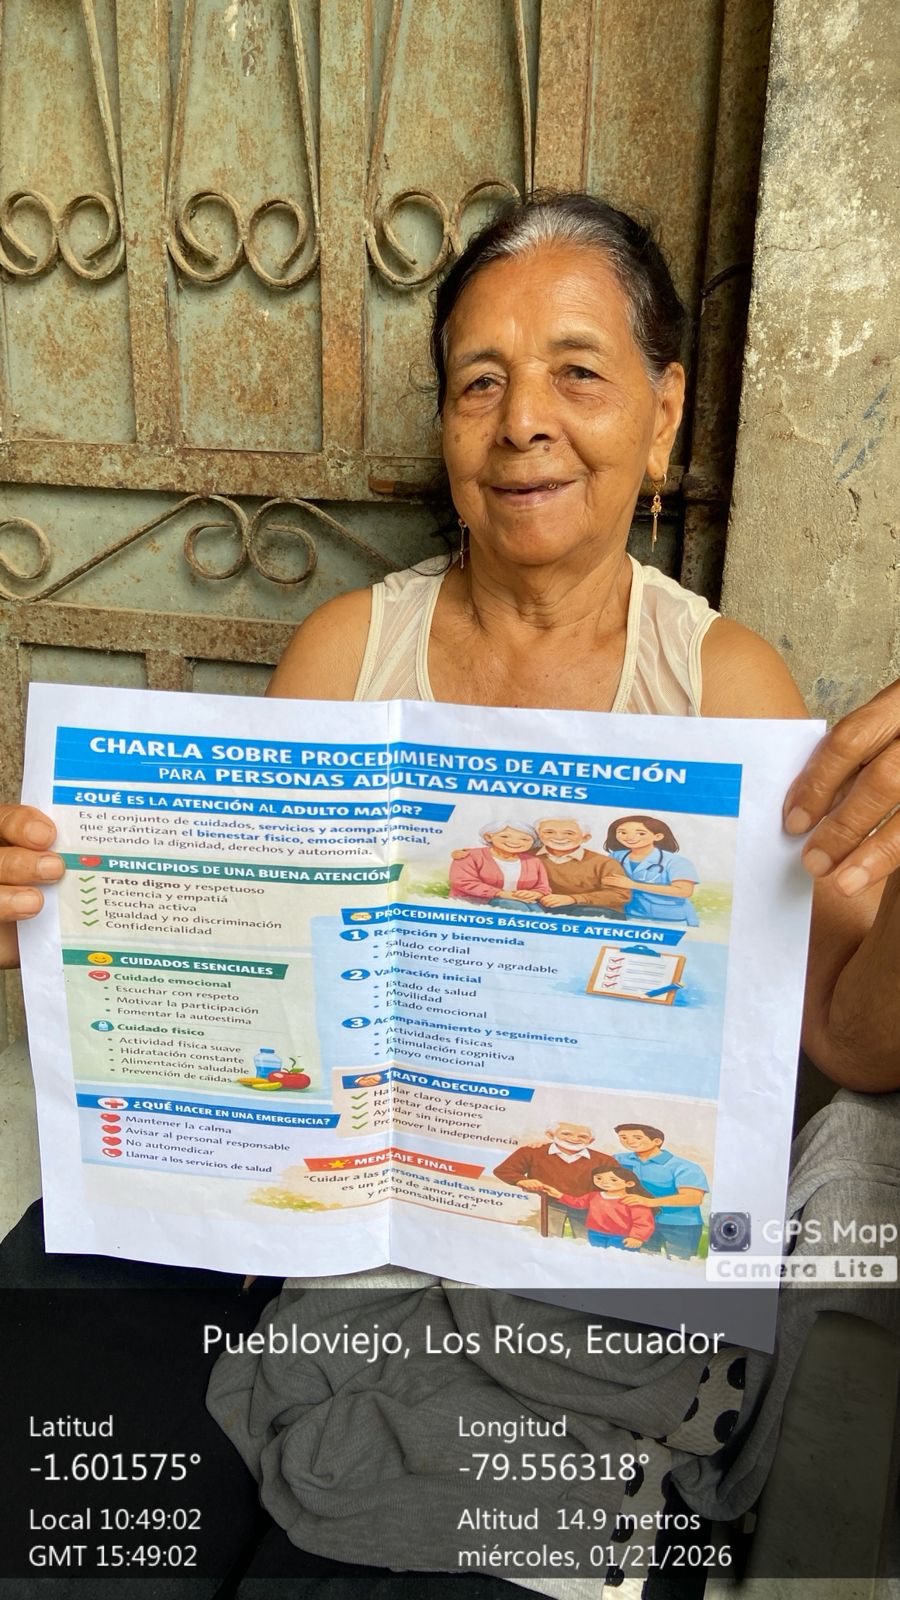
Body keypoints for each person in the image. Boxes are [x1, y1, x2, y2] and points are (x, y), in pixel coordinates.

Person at [492, 1118, 617, 1239]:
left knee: (587, 1241)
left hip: (586, 1209)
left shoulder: (604, 1160)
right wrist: (522, 1180)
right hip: (547, 1205)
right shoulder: (531, 1152)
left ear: (591, 1140)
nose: (574, 1139)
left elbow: (619, 1183)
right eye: (566, 1133)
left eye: (582, 1136)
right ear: (550, 1135)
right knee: (543, 1238)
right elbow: (503, 1170)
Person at [614, 1121, 710, 1260]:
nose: (629, 1141)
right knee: (641, 1261)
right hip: (638, 1222)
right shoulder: (618, 1159)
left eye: (637, 1137)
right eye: (623, 1137)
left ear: (656, 1141)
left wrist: (649, 1202)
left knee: (680, 1264)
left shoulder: (684, 1167)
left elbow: (693, 1198)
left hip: (680, 1225)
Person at [605, 813, 700, 924]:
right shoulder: (616, 856)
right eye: (622, 833)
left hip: (670, 919)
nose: (629, 837)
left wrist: (633, 885)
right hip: (629, 915)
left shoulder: (677, 862)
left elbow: (684, 891)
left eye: (641, 833)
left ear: (658, 836)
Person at [539, 1161, 656, 1249]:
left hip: (621, 1236)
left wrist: (637, 1237)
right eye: (599, 1178)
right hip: (595, 1233)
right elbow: (577, 1202)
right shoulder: (594, 1195)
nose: (604, 1182)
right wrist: (559, 1195)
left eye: (613, 1180)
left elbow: (643, 1222)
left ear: (629, 1183)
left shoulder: (633, 1200)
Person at [534, 814, 633, 913]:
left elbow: (620, 895)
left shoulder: (604, 863)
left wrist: (573, 899)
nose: (559, 837)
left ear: (585, 838)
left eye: (569, 833)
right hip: (541, 908)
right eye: (549, 832)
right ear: (538, 835)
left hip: (591, 910)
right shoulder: (528, 856)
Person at [447, 819, 549, 906]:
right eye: (505, 836)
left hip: (522, 901)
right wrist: (500, 893)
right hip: (476, 901)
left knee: (537, 910)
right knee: (516, 907)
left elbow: (543, 887)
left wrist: (536, 893)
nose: (515, 842)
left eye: (525, 839)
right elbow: (463, 882)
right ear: (488, 837)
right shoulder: (468, 856)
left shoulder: (534, 861)